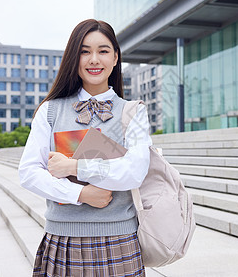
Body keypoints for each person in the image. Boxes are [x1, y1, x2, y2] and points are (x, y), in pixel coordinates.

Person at [19, 19, 152, 277]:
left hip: (119, 241)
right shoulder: (50, 110)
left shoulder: (133, 112)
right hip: (63, 240)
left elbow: (135, 171)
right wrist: (78, 194)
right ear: (73, 58)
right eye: (84, 51)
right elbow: (28, 172)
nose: (94, 59)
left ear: (115, 58)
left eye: (103, 51)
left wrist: (74, 167)